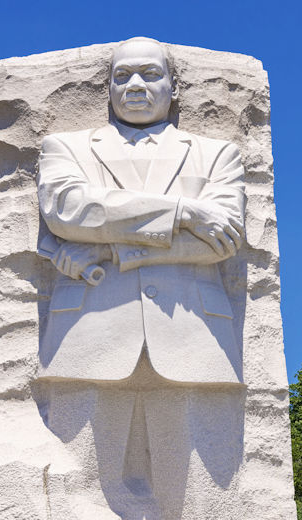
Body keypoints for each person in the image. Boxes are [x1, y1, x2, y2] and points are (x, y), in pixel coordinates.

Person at [37, 36, 246, 385]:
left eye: (149, 74)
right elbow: (69, 210)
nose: (135, 86)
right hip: (86, 336)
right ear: (108, 89)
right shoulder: (65, 147)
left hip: (197, 339)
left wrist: (106, 249)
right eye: (122, 76)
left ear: (174, 86)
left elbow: (221, 242)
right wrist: (186, 212)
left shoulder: (218, 153)